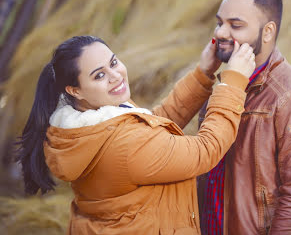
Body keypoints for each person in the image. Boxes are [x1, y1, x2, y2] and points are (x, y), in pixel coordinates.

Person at [16, 35, 256, 235]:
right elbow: (205, 150)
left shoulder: (89, 124)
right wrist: (233, 82)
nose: (115, 76)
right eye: (99, 75)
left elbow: (155, 128)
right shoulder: (124, 144)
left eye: (114, 62)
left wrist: (202, 73)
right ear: (74, 90)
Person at [198, 0, 291, 235]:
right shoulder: (223, 86)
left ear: (267, 32)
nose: (221, 33)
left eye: (235, 25)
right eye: (219, 23)